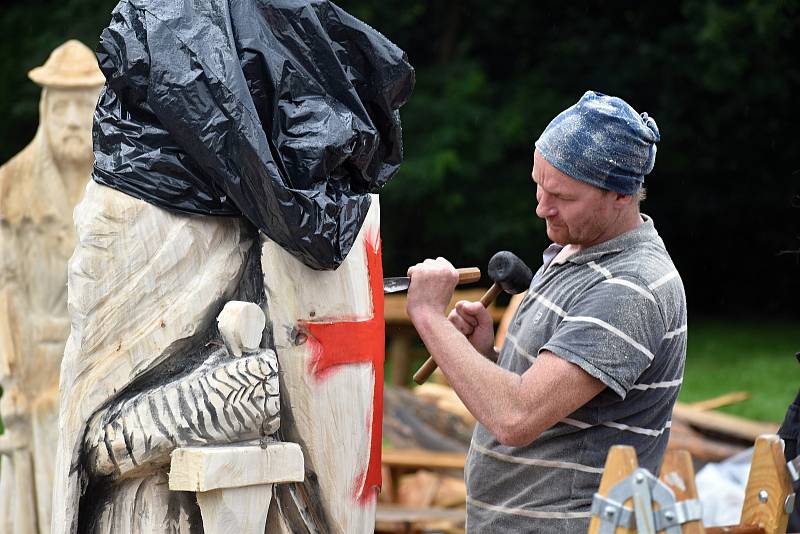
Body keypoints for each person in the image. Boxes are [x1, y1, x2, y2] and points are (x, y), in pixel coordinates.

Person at [406, 90, 687, 533]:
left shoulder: (630, 289)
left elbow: (516, 418)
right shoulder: (573, 250)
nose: (541, 206)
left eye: (561, 196)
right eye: (538, 184)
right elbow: (545, 403)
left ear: (620, 195)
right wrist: (485, 356)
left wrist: (427, 316)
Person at [0, 39, 103, 534]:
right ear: (45, 108)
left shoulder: (117, 189)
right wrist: (7, 370)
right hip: (35, 372)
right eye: (61, 105)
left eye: (83, 106)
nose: (70, 120)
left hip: (98, 366)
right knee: (32, 504)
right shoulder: (10, 185)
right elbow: (4, 285)